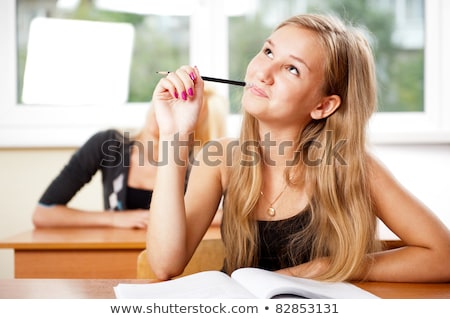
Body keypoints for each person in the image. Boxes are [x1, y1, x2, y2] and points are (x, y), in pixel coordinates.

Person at [146, 13, 450, 283]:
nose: (263, 73)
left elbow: (443, 256)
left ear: (323, 105)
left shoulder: (354, 167)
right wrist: (175, 134)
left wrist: (331, 268)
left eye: (291, 69)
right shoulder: (221, 160)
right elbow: (164, 265)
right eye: (267, 52)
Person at [32, 86, 228, 229]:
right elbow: (43, 213)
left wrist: (171, 219)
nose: (168, 109)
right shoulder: (108, 144)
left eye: (183, 108)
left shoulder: (203, 164)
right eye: (170, 99)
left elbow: (231, 217)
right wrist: (114, 219)